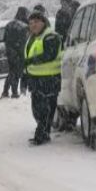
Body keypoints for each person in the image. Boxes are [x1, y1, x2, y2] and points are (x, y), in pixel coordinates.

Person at [24, 11, 63, 145]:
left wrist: (31, 61)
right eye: (30, 23)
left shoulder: (50, 36)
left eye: (36, 22)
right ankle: (43, 131)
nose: (33, 25)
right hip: (35, 78)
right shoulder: (33, 38)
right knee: (36, 109)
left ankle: (41, 134)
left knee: (45, 109)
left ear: (43, 23)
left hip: (49, 78)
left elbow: (49, 55)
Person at [1, 6, 29, 99]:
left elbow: (4, 39)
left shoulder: (9, 24)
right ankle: (14, 92)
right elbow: (24, 42)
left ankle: (5, 91)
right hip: (18, 51)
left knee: (11, 72)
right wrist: (22, 53)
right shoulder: (24, 26)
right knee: (16, 73)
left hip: (9, 51)